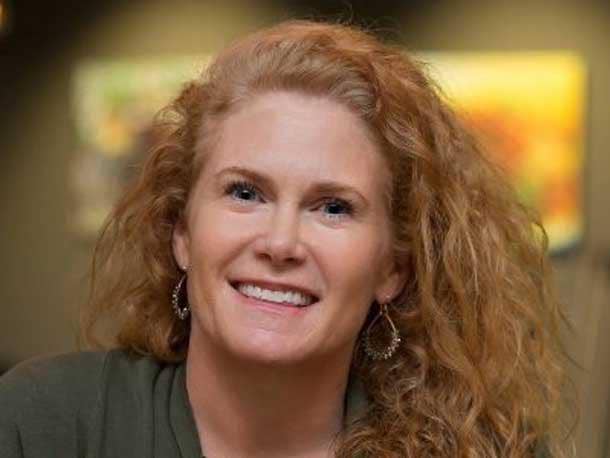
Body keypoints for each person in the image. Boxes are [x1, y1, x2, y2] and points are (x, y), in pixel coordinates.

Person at [0, 20, 571, 457]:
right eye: (246, 193)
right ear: (182, 232)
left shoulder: (485, 449)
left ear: (391, 268)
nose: (280, 243)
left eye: (333, 207)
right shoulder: (45, 422)